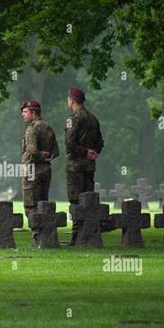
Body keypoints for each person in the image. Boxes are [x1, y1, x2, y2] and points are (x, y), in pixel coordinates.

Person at [65, 88, 104, 245]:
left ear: (72, 101)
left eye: (68, 99)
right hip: (89, 167)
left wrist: (84, 151)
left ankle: (76, 236)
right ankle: (88, 234)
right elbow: (100, 142)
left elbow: (69, 142)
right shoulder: (93, 118)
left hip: (75, 167)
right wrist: (93, 152)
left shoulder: (73, 119)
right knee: (88, 202)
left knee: (75, 201)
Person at [20, 100, 59, 242]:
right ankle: (46, 234)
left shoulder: (32, 128)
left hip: (31, 169)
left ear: (33, 112)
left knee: (31, 205)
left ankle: (37, 236)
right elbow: (56, 151)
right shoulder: (48, 127)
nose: (22, 115)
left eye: (25, 112)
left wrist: (39, 156)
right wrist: (48, 157)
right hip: (46, 171)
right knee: (43, 203)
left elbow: (31, 150)